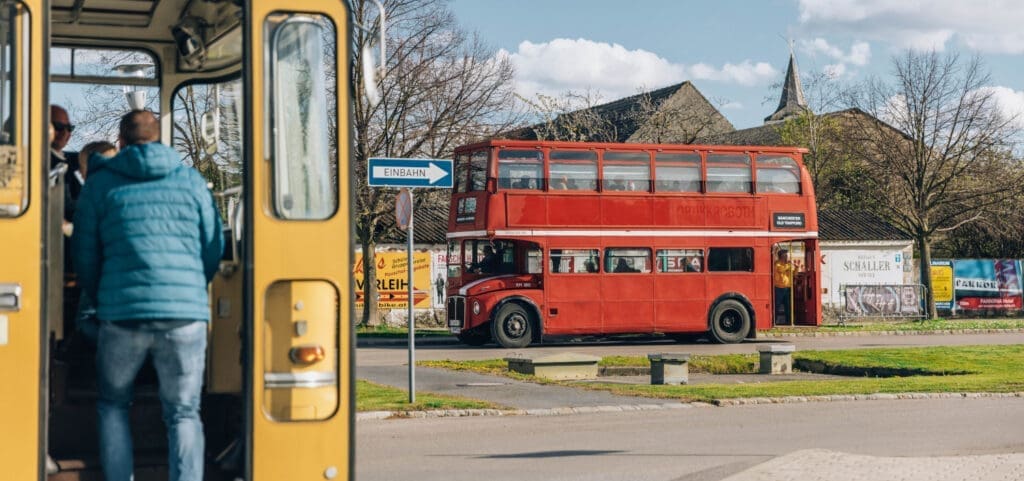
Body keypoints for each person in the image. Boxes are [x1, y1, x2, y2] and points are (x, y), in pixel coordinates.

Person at [72, 110, 224, 481]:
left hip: (122, 316)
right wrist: (190, 292)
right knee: (184, 411)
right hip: (185, 317)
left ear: (121, 142)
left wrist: (102, 297)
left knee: (112, 404)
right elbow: (213, 247)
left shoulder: (101, 184)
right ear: (160, 139)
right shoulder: (190, 180)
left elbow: (84, 253)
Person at [71, 140, 118, 343]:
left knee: (84, 319)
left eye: (81, 169)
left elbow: (86, 253)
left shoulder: (94, 193)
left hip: (110, 276)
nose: (80, 175)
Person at [773, 249, 794, 325]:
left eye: (787, 255)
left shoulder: (788, 264)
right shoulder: (777, 264)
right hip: (779, 287)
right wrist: (789, 264)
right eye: (786, 255)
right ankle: (774, 321)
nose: (787, 257)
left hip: (788, 287)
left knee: (788, 305)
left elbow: (794, 273)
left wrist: (796, 267)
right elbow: (781, 270)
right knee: (777, 305)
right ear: (781, 256)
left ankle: (788, 321)